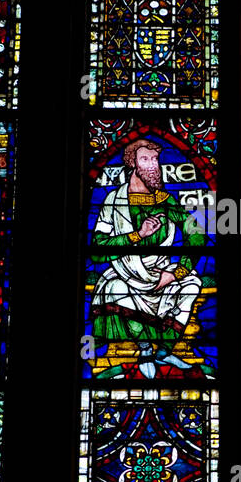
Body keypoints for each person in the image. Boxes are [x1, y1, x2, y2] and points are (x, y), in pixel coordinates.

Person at [90, 138, 204, 377]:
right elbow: (99, 250)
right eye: (146, 159)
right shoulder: (114, 202)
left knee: (193, 283)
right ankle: (144, 350)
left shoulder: (167, 202)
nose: (153, 165)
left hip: (163, 270)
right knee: (115, 289)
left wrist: (175, 273)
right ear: (132, 164)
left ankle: (164, 350)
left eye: (155, 160)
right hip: (127, 272)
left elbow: (196, 236)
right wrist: (137, 235)